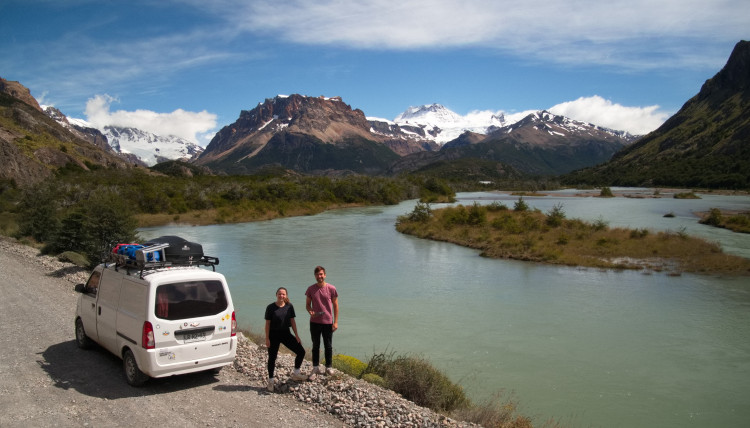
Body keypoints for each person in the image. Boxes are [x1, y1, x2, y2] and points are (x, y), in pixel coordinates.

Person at [264, 287, 307, 392]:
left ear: (286, 296)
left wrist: (296, 335)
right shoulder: (270, 307)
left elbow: (292, 321)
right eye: (279, 294)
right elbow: (267, 324)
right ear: (276, 295)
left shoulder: (289, 306)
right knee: (272, 358)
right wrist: (267, 338)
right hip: (273, 335)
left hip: (286, 334)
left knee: (301, 351)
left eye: (283, 294)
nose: (281, 296)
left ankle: (296, 374)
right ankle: (271, 381)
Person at [305, 265, 339, 378]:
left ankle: (328, 367)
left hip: (328, 322)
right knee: (315, 345)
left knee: (328, 346)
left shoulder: (331, 288)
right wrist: (310, 311)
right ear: (315, 276)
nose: (319, 276)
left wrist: (336, 322)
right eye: (317, 274)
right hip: (314, 322)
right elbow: (307, 305)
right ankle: (315, 367)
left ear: (325, 275)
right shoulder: (311, 289)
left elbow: (336, 305)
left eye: (321, 274)